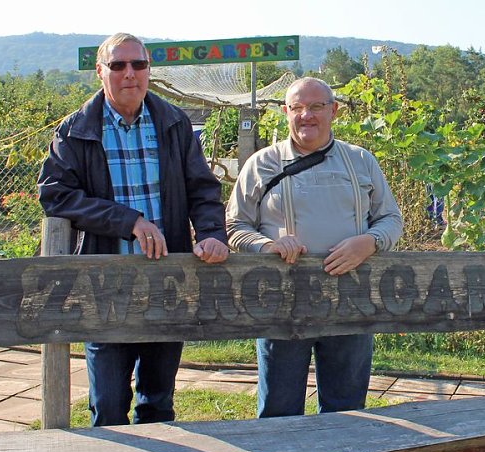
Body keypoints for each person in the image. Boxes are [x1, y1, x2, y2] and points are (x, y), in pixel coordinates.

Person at [37, 33, 229, 426]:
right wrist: (128, 221)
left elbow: (203, 190)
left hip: (167, 280)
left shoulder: (174, 123)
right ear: (100, 71)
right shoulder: (75, 129)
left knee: (158, 403)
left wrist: (212, 233)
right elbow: (56, 195)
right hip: (105, 283)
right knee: (108, 405)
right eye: (118, 65)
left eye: (138, 65)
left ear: (148, 70)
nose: (130, 74)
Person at [226, 77, 403, 417]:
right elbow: (234, 227)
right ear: (285, 112)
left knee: (346, 411)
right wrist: (267, 245)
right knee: (279, 411)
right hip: (281, 302)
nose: (306, 115)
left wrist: (369, 242)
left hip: (352, 300)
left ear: (333, 111)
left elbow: (391, 219)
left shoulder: (360, 160)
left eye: (317, 106)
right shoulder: (262, 163)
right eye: (297, 107)